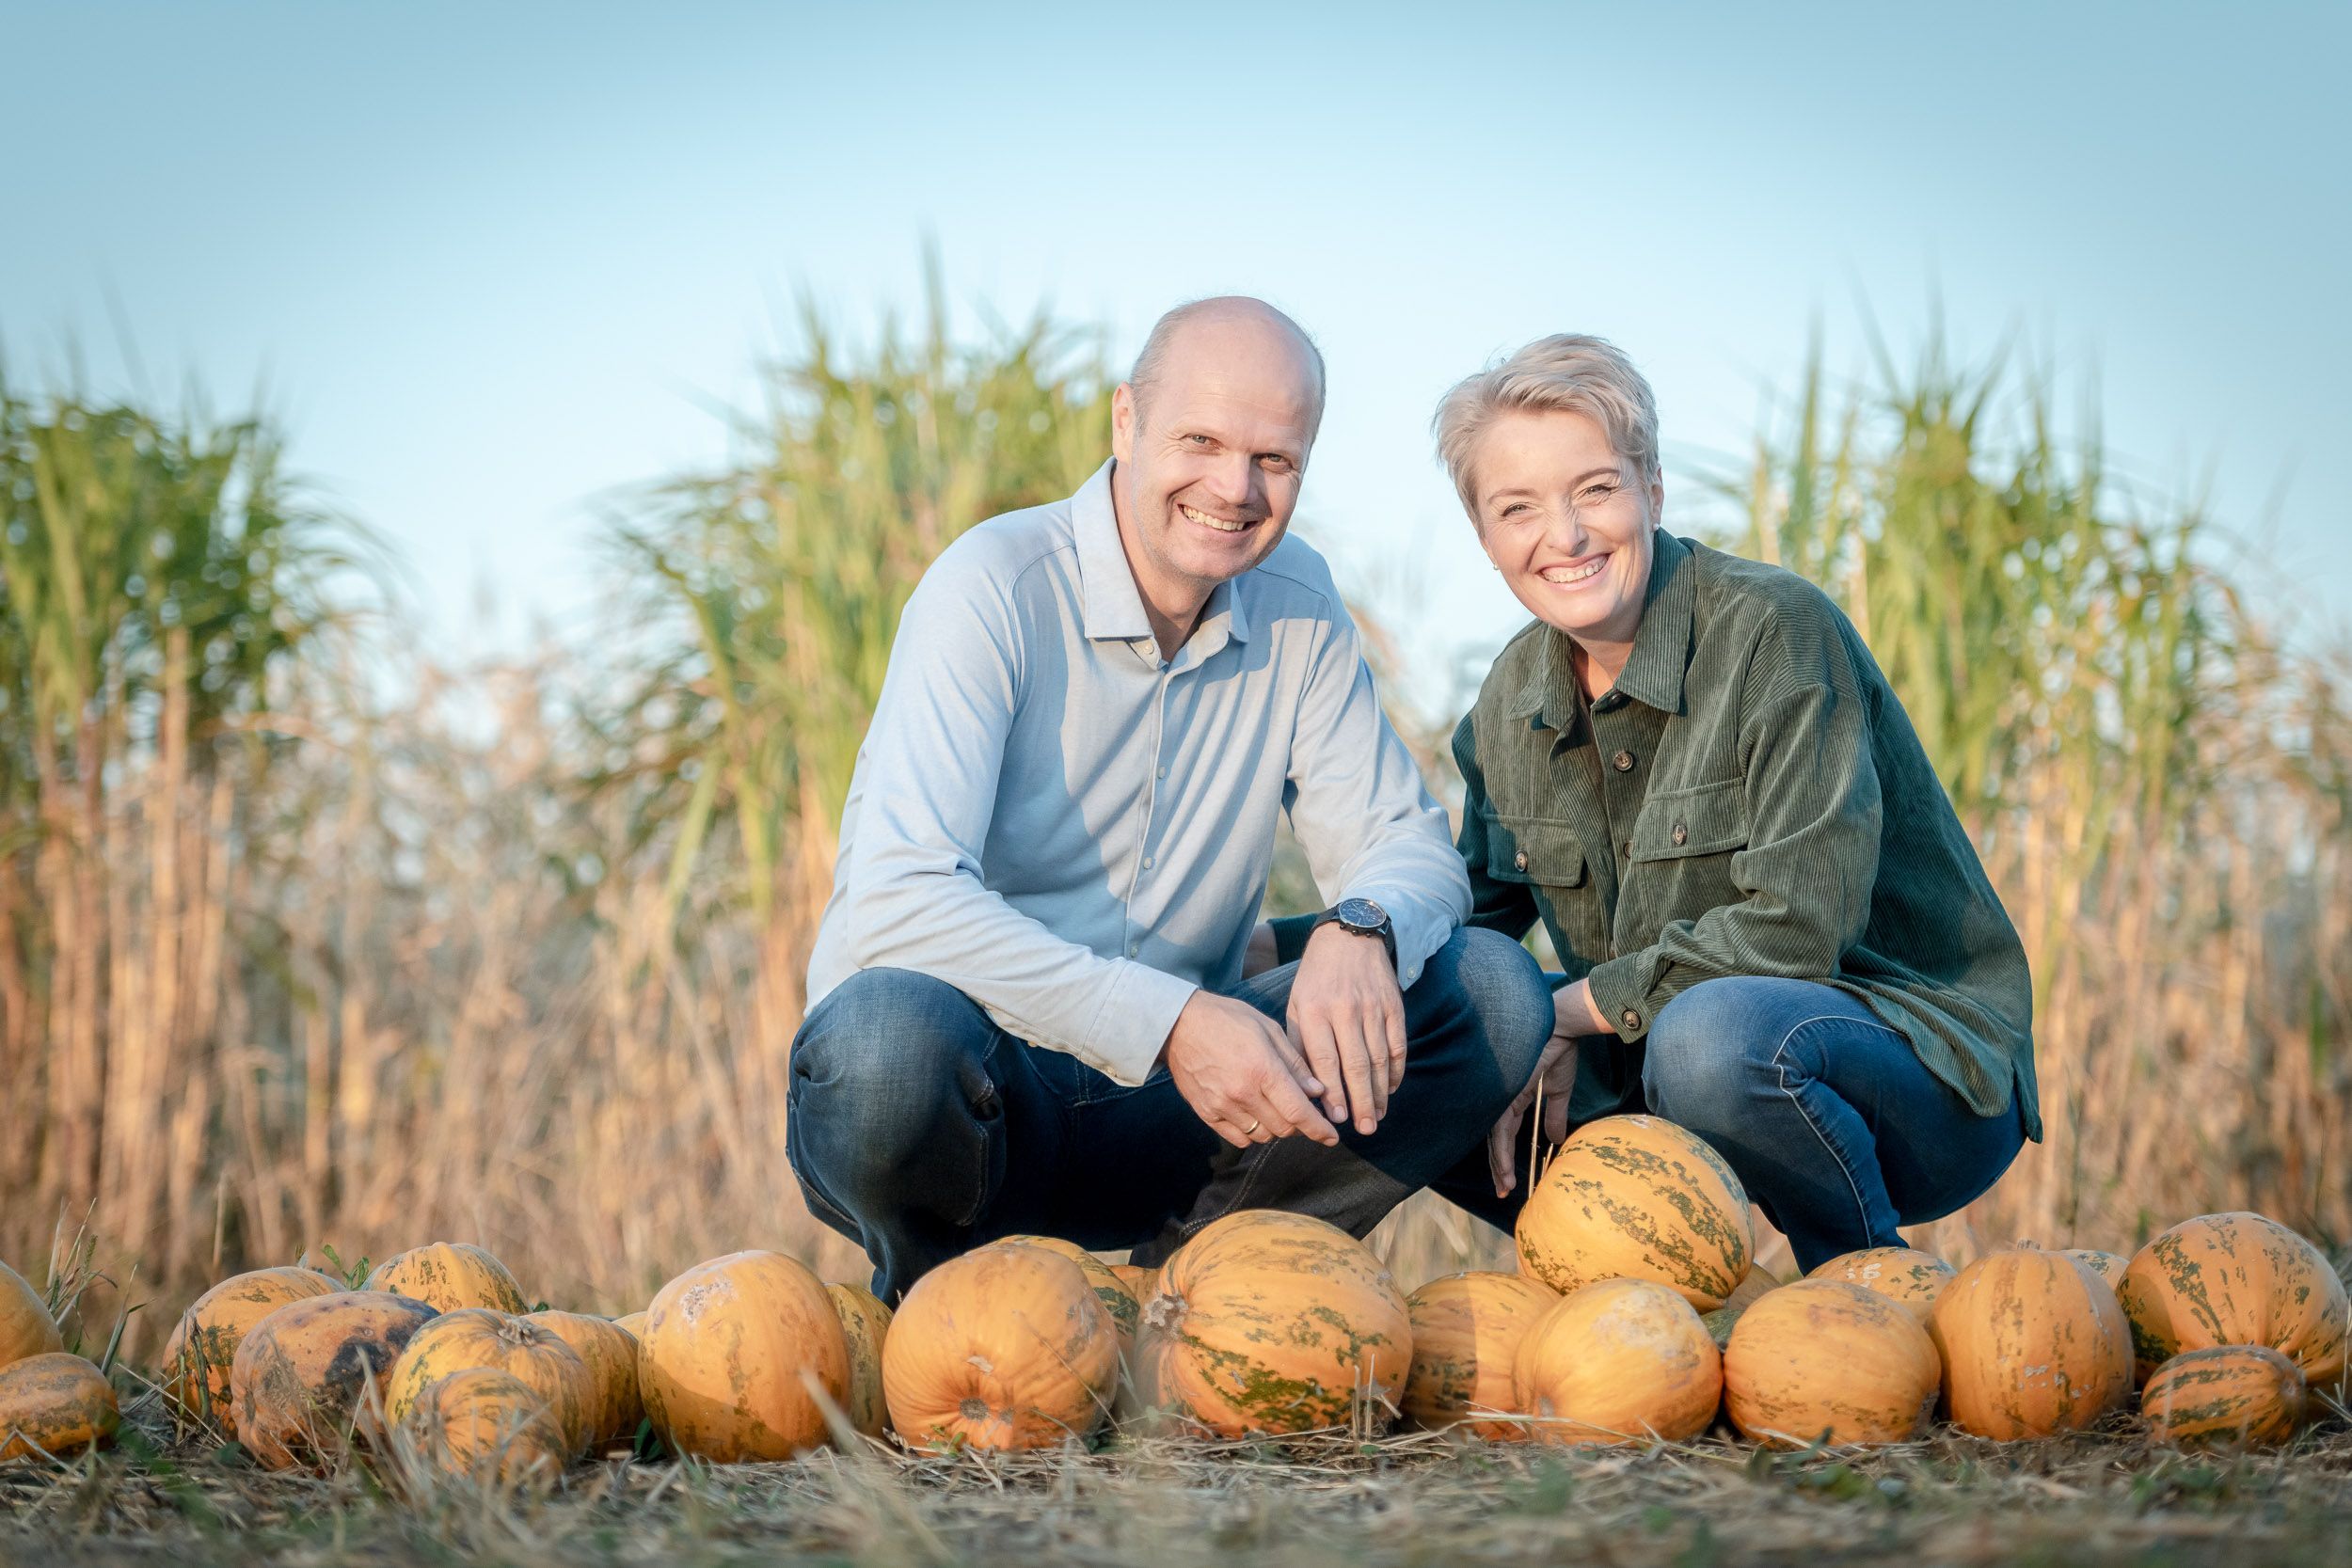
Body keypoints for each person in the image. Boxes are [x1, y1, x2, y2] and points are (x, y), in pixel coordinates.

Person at [791, 296, 1554, 1302]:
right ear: (1125, 423)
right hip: (979, 1093)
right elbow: (896, 898)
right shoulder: (992, 585)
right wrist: (1172, 1018)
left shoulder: (1298, 603)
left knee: (1491, 989)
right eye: (1200, 439)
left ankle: (1198, 1309)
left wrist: (1358, 927)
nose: (1233, 488)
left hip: (1185, 1113)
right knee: (882, 1035)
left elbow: (1403, 844)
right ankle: (942, 1309)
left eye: (1273, 460)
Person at [1413, 333, 2037, 1272]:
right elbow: (1452, 918)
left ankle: (1867, 1298)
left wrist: (1570, 1012)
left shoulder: (1774, 632)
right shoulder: (1508, 704)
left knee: (1704, 1038)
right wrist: (1284, 952)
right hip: (1655, 1080)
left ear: (1650, 489)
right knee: (1417, 1043)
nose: (1567, 535)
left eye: (1595, 488)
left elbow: (1794, 931)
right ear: (1486, 535)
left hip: (1905, 1064)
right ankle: (1654, 1299)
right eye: (1518, 508)